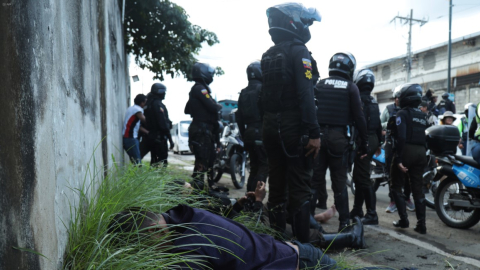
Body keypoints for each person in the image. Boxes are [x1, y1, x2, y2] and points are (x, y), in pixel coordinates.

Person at [108, 202, 389, 270]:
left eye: (144, 247)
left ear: (155, 231)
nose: (151, 256)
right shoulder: (182, 214)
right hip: (294, 253)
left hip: (299, 263)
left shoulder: (191, 249)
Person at [260, 3, 321, 243]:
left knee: (276, 186)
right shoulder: (299, 51)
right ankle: (304, 252)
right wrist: (314, 132)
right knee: (299, 187)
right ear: (293, 22)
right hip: (293, 128)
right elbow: (306, 94)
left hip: (270, 127)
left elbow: (261, 98)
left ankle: (276, 246)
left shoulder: (268, 54)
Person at [313, 52, 368, 232]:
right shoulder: (351, 87)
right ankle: (344, 223)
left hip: (318, 137)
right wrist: (364, 142)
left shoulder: (319, 84)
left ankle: (306, 221)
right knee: (339, 183)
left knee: (314, 180)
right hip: (338, 138)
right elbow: (359, 117)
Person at [390, 83, 428, 234]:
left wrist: (398, 158)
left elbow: (401, 137)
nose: (397, 100)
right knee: (417, 189)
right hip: (421, 152)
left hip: (406, 151)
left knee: (396, 185)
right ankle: (421, 225)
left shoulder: (402, 114)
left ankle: (403, 220)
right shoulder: (423, 115)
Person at [349, 69, 382, 225]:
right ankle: (357, 209)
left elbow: (357, 124)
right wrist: (378, 144)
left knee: (362, 178)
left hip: (364, 140)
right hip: (373, 139)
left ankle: (371, 214)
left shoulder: (358, 100)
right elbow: (379, 125)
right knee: (359, 175)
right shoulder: (373, 101)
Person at [185, 62, 223, 190]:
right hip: (201, 130)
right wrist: (218, 106)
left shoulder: (198, 89)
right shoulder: (199, 88)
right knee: (202, 161)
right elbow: (213, 106)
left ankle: (201, 187)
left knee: (207, 160)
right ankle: (197, 190)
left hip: (204, 129)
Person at [380, 91, 415, 213]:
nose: (399, 100)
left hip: (406, 145)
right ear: (395, 99)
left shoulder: (411, 110)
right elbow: (380, 123)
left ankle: (407, 199)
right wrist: (390, 123)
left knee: (408, 174)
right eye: (397, 98)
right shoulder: (388, 109)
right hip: (391, 143)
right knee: (392, 174)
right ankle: (393, 201)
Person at [236, 61, 269, 192]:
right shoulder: (263, 89)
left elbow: (238, 117)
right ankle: (256, 201)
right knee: (263, 166)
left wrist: (244, 135)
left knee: (254, 167)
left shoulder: (243, 92)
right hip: (261, 132)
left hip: (248, 133)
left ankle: (248, 198)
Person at [144, 83, 172, 167]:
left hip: (152, 137)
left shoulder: (149, 104)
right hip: (159, 138)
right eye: (164, 92)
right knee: (161, 162)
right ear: (160, 92)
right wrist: (170, 138)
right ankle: (158, 178)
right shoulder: (157, 105)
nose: (165, 94)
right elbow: (162, 123)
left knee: (154, 161)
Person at [122, 94, 148, 164]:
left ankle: (135, 174)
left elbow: (137, 126)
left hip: (128, 138)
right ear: (142, 102)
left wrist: (148, 132)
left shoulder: (131, 108)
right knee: (137, 162)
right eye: (145, 102)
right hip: (130, 138)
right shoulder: (138, 110)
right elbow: (145, 121)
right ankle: (138, 174)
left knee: (135, 161)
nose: (146, 104)